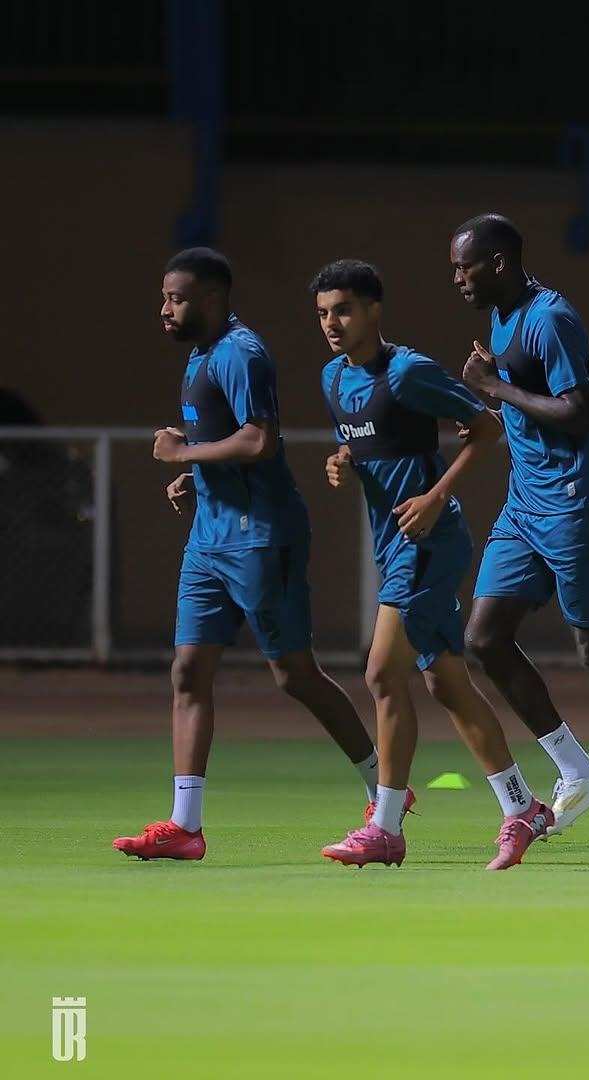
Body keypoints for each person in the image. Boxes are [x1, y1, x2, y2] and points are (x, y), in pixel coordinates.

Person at [114, 248, 379, 861]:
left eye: (175, 298)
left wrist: (182, 456)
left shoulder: (241, 352)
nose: (166, 309)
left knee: (295, 676)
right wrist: (196, 476)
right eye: (165, 297)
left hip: (262, 536)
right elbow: (222, 440)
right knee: (187, 671)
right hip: (209, 540)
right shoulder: (200, 355)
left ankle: (383, 788)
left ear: (210, 298)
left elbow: (260, 438)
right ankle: (186, 826)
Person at [312, 259, 552, 871]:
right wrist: (343, 460)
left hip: (430, 541)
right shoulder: (334, 379)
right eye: (322, 313)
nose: (332, 323)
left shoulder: (409, 370)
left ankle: (386, 827)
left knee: (380, 674)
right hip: (392, 544)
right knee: (446, 683)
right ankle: (522, 807)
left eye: (342, 310)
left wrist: (436, 493)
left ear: (373, 310)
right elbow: (370, 443)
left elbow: (483, 428)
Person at [450, 212, 589, 845]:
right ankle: (577, 771)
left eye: (463, 267)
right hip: (525, 504)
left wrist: (493, 385)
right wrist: (490, 399)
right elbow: (526, 402)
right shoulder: (502, 317)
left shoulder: (551, 318)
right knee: (485, 638)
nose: (456, 280)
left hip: (580, 503)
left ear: (497, 263)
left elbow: (577, 415)